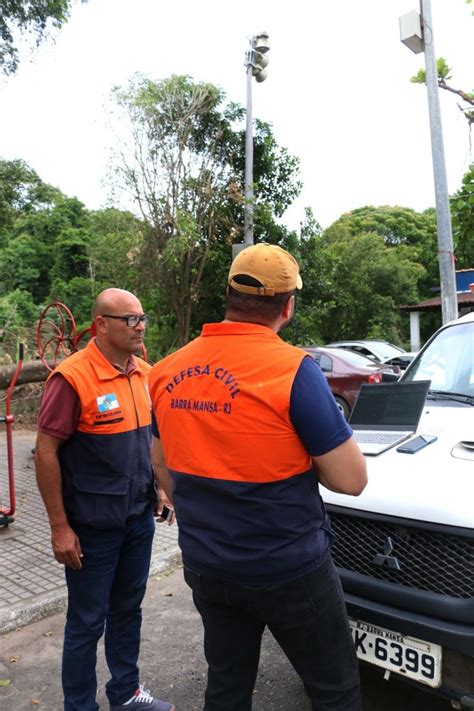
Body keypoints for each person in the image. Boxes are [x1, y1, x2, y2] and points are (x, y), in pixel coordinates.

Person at [148, 243, 368, 711]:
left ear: (228, 295)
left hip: (207, 564)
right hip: (289, 568)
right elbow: (351, 480)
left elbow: (161, 463)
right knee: (335, 689)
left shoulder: (165, 371)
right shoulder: (293, 370)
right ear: (287, 306)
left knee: (227, 685)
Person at [35, 288, 175, 711]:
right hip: (91, 529)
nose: (141, 326)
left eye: (142, 317)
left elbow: (151, 441)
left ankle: (127, 694)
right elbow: (46, 452)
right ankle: (80, 706)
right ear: (101, 325)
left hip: (137, 520)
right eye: (130, 319)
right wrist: (60, 528)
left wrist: (161, 486)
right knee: (86, 623)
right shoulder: (72, 378)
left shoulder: (143, 374)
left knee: (128, 611)